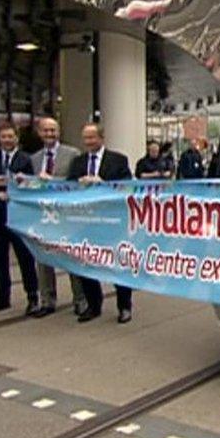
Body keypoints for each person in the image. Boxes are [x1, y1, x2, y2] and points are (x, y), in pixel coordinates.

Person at [67, 123, 135, 324]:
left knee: (118, 264)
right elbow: (68, 188)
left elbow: (127, 186)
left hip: (112, 220)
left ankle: (124, 306)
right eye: (85, 138)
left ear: (101, 138)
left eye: (92, 138)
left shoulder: (118, 160)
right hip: (86, 221)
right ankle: (93, 305)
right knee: (86, 263)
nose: (88, 142)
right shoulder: (78, 162)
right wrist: (78, 184)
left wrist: (103, 183)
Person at [0, 123, 40, 315]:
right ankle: (2, 297)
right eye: (3, 137)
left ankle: (32, 296)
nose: (7, 140)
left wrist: (14, 194)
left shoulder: (26, 159)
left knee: (25, 258)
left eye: (10, 137)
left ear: (17, 139)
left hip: (18, 216)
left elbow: (32, 187)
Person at [30, 117, 86, 317]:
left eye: (53, 130)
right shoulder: (34, 159)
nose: (49, 134)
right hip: (43, 217)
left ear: (59, 131)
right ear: (39, 132)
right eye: (46, 131)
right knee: (43, 259)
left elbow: (77, 182)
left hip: (67, 216)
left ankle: (80, 300)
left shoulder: (73, 154)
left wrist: (52, 181)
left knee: (72, 258)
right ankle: (47, 300)